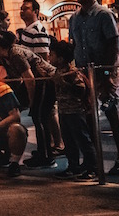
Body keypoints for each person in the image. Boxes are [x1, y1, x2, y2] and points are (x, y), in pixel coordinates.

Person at [0, 30, 57, 168]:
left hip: (45, 81)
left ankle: (46, 156)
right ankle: (39, 153)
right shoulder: (3, 57)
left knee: (39, 117)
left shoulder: (15, 54)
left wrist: (31, 101)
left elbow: (30, 79)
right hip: (36, 83)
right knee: (33, 117)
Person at [69, 0, 119, 175]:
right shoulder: (74, 18)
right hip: (83, 74)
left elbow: (112, 45)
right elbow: (74, 44)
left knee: (112, 115)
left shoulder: (104, 15)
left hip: (103, 73)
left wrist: (106, 72)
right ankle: (93, 162)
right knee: (88, 119)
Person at [17, 0, 64, 156]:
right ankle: (50, 144)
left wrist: (39, 78)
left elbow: (43, 57)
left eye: (26, 8)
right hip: (34, 77)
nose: (22, 11)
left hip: (40, 78)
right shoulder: (27, 31)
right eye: (22, 8)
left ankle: (57, 144)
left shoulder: (37, 30)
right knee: (45, 113)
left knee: (47, 113)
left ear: (35, 11)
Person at [49, 39, 97, 181]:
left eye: (51, 55)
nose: (49, 57)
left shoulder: (71, 73)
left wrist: (63, 83)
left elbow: (80, 89)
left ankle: (92, 168)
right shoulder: (58, 71)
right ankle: (73, 166)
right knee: (69, 141)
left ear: (61, 58)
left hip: (75, 112)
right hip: (64, 111)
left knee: (83, 140)